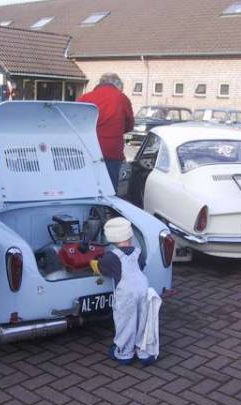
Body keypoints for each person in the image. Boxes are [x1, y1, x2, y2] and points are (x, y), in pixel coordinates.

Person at [90, 217, 159, 366]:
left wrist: (92, 261)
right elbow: (139, 267)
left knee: (126, 322)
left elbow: (100, 268)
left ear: (111, 238)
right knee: (144, 320)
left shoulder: (111, 257)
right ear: (130, 236)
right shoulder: (139, 252)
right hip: (144, 290)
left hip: (126, 294)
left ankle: (124, 353)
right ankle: (145, 353)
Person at [77, 73, 134, 190]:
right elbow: (129, 126)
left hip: (86, 150)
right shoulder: (122, 98)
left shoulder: (84, 98)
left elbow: (75, 124)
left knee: (86, 187)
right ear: (117, 85)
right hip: (111, 152)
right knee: (110, 190)